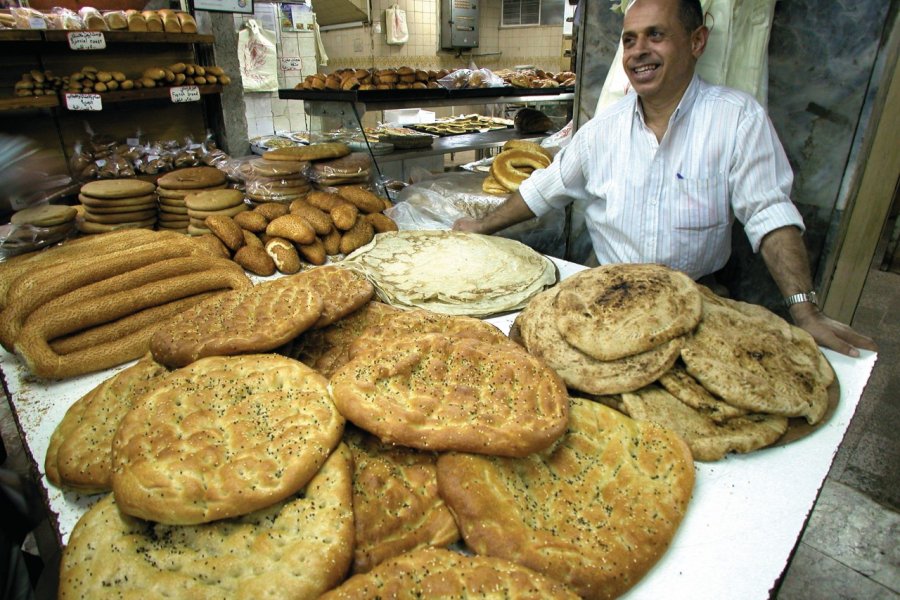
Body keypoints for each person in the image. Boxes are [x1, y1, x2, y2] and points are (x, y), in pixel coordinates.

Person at [454, 0, 876, 358]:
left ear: (697, 42)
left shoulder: (736, 119)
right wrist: (480, 227)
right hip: (605, 304)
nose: (638, 51)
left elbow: (770, 214)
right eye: (629, 39)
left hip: (698, 308)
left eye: (656, 35)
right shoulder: (602, 130)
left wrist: (805, 310)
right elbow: (543, 190)